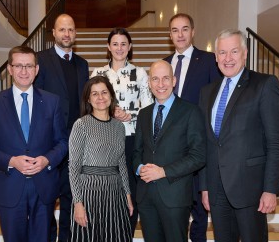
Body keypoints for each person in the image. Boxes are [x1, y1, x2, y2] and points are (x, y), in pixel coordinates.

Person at [198, 29, 279, 241]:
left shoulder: (264, 84)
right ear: (216, 56)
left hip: (251, 191)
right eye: (222, 52)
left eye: (234, 51)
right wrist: (205, 187)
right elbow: (206, 144)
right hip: (217, 192)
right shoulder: (207, 92)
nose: (228, 58)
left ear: (245, 53)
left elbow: (276, 142)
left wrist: (270, 189)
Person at [0, 46, 68, 242]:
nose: (24, 71)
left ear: (37, 69)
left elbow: (62, 142)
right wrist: (11, 161)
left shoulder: (52, 102)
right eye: (19, 65)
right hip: (10, 187)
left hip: (43, 188)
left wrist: (46, 160)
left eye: (29, 66)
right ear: (9, 69)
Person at [133, 60, 206, 242]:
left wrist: (163, 172)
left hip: (175, 197)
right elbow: (136, 152)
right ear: (149, 83)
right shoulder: (144, 114)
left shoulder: (191, 111)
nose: (161, 84)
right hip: (146, 197)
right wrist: (139, 168)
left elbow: (198, 156)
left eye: (166, 78)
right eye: (155, 79)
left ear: (174, 81)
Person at [164, 13, 221, 242]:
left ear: (193, 32)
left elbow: (215, 100)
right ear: (170, 35)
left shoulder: (209, 61)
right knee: (175, 209)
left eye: (184, 29)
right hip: (171, 147)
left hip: (198, 144)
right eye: (175, 30)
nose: (180, 34)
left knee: (199, 210)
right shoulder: (164, 63)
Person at [90, 27, 153, 236]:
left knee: (130, 192)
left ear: (130, 47)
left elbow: (148, 107)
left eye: (124, 44)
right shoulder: (98, 73)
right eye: (115, 44)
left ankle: (125, 233)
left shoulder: (140, 73)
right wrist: (110, 111)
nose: (119, 48)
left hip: (131, 139)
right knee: (106, 188)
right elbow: (90, 106)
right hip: (103, 139)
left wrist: (130, 115)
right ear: (108, 47)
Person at [34, 13, 89, 242]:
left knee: (70, 197)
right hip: (48, 143)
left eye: (71, 30)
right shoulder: (40, 60)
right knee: (46, 199)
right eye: (62, 29)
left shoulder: (82, 64)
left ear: (75, 34)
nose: (67, 34)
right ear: (54, 33)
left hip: (75, 143)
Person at [69, 76, 133, 242]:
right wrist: (77, 203)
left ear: (111, 95)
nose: (100, 97)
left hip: (115, 193)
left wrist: (127, 195)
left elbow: (122, 164)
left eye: (104, 92)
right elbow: (74, 167)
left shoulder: (119, 126)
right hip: (88, 193)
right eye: (95, 94)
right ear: (88, 99)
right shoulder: (81, 124)